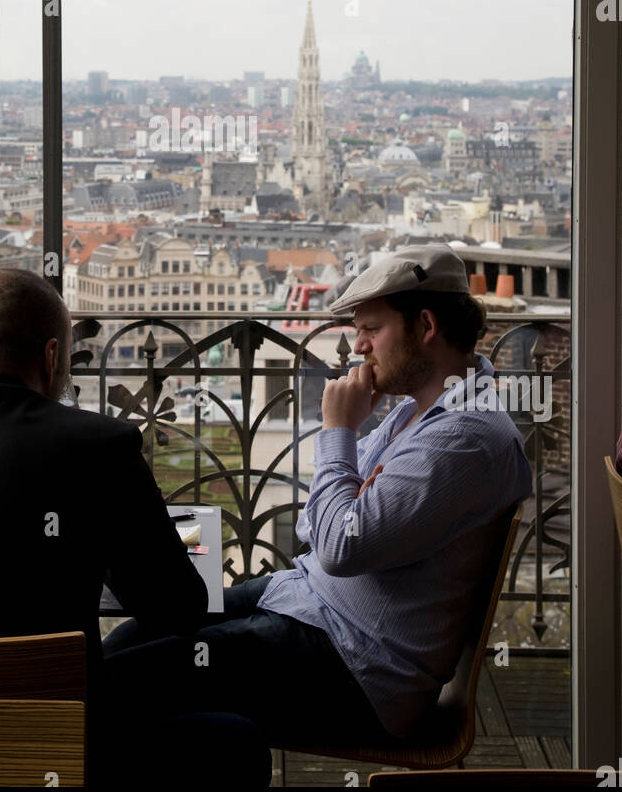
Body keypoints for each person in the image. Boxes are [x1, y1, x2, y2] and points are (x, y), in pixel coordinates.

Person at [0, 268, 271, 787]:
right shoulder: (100, 446)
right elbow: (175, 608)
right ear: (51, 357)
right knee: (239, 741)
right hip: (55, 746)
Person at [101, 244, 534, 749]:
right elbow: (317, 525)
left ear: (425, 327)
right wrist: (347, 497)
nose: (359, 348)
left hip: (355, 666)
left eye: (371, 330)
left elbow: (337, 545)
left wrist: (340, 433)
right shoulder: (421, 410)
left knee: (121, 682)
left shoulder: (463, 438)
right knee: (135, 636)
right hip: (310, 607)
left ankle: (214, 760)